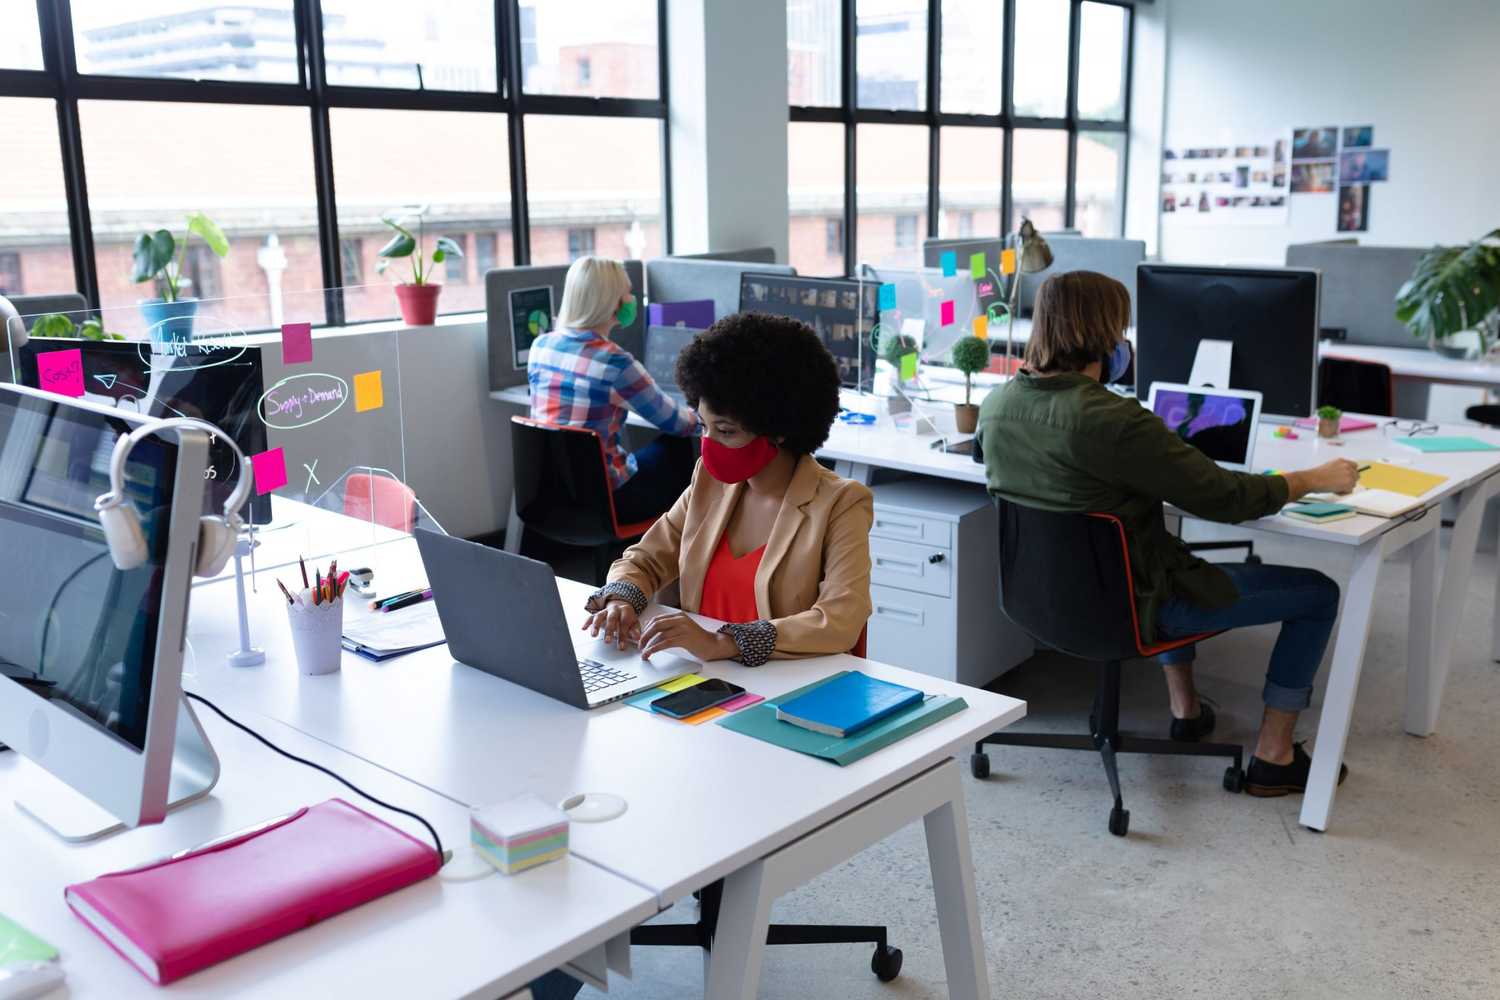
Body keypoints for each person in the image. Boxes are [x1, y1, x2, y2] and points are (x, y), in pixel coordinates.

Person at [977, 270, 1360, 797]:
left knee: (1161, 551)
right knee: (1318, 592)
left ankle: (1186, 709)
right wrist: (1313, 478)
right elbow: (1227, 500)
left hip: (1037, 603)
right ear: (1105, 333)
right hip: (1130, 609)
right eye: (1120, 327)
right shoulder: (1117, 421)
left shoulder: (997, 407)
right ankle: (1275, 754)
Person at [581, 312, 871, 667]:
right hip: (699, 677)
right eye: (704, 426)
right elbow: (646, 558)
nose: (708, 444)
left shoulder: (841, 504)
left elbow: (840, 621)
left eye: (726, 431)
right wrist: (622, 601)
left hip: (783, 689)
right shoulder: (709, 481)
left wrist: (725, 642)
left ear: (778, 430)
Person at [528, 255, 699, 524]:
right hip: (608, 501)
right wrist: (705, 411)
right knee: (678, 444)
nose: (631, 300)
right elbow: (677, 423)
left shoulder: (541, 346)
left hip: (551, 494)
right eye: (627, 293)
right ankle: (683, 552)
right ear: (613, 304)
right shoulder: (616, 363)